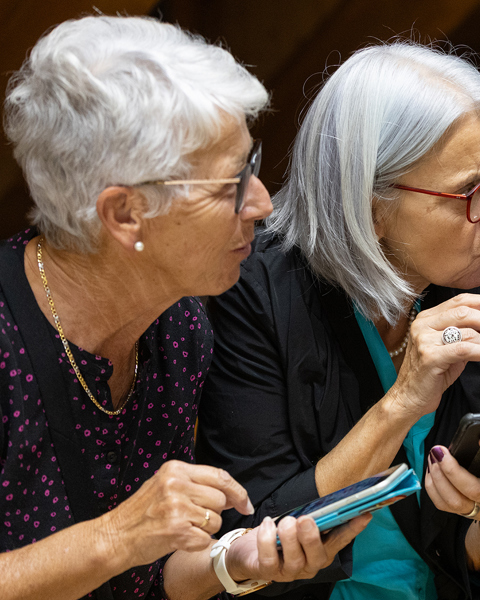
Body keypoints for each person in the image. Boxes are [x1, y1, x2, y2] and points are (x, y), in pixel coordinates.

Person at [0, 15, 370, 600]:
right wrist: (118, 536)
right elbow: (125, 543)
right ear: (125, 215)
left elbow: (153, 575)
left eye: (253, 162)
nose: (263, 204)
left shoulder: (178, 323)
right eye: (231, 184)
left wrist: (240, 561)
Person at [195, 42, 480, 600]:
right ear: (371, 208)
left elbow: (476, 565)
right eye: (471, 191)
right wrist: (403, 403)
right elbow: (254, 539)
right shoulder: (255, 288)